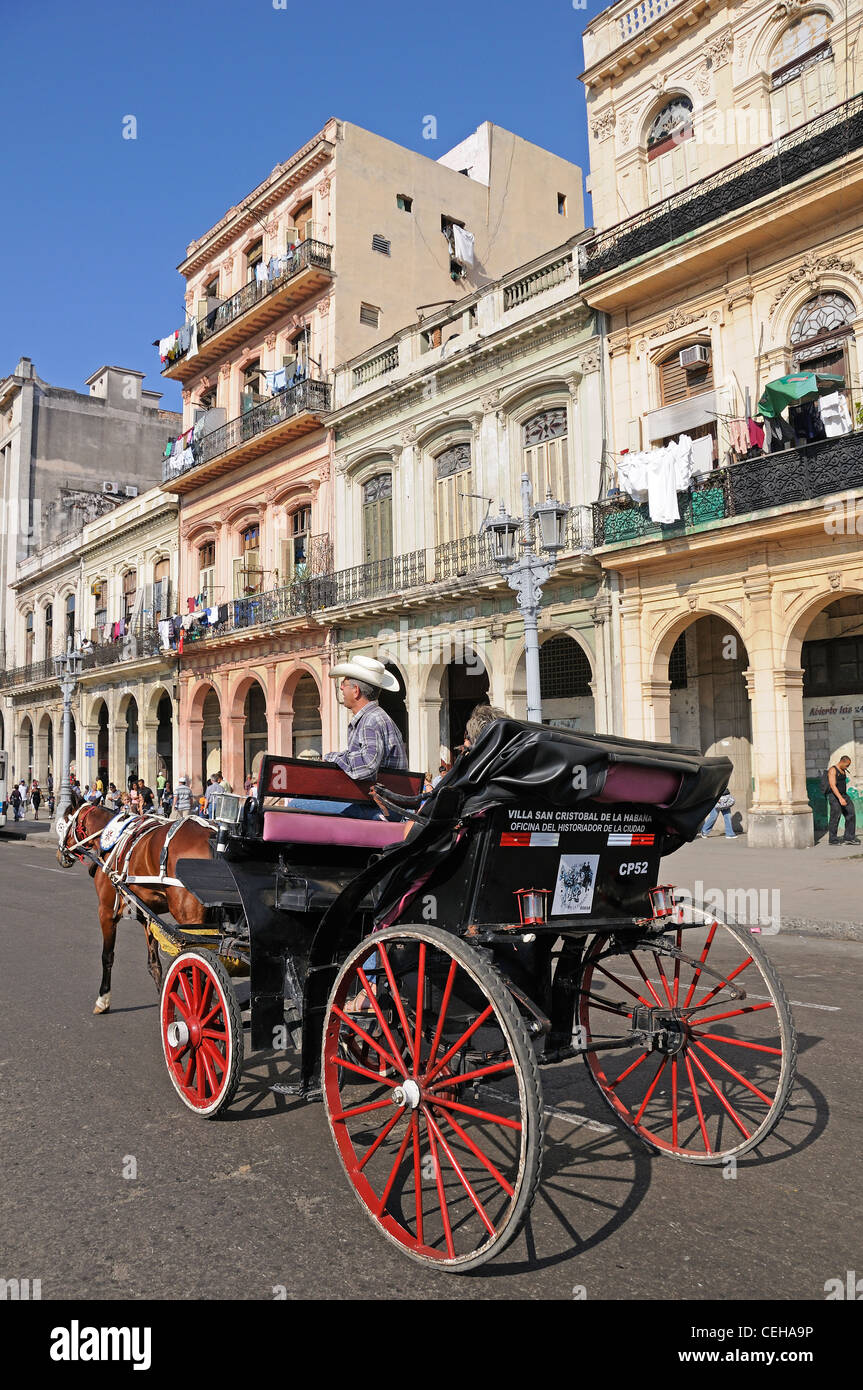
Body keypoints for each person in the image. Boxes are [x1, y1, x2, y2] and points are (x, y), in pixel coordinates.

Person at [324, 656, 407, 819]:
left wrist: (333, 758)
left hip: (376, 807)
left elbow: (367, 766)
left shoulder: (370, 721)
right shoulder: (377, 717)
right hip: (385, 803)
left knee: (296, 805)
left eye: (345, 683)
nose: (341, 687)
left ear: (356, 691)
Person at [824, 756, 860, 845]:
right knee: (835, 817)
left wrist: (843, 797)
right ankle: (833, 840)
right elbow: (832, 785)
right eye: (847, 765)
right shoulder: (833, 770)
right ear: (842, 762)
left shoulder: (843, 770)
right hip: (834, 796)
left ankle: (849, 837)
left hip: (844, 795)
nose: (847, 767)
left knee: (851, 814)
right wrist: (840, 798)